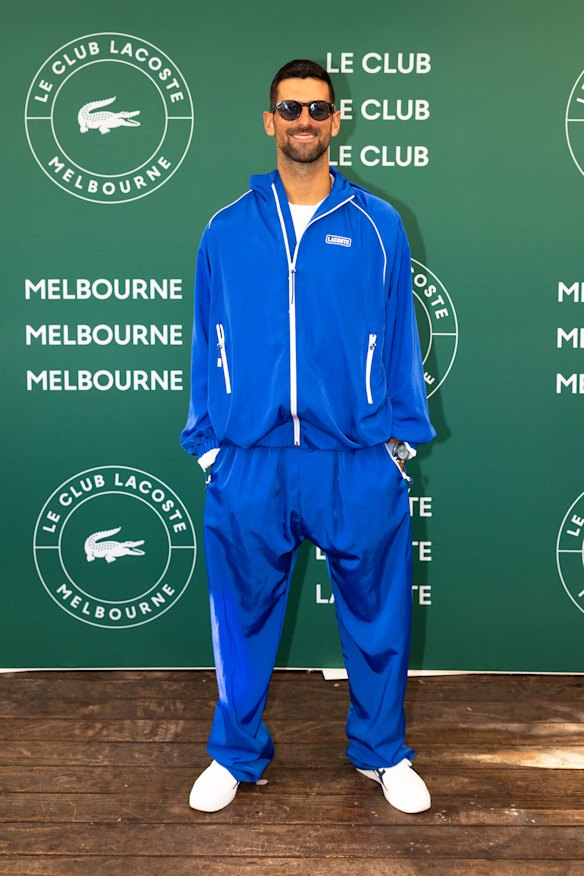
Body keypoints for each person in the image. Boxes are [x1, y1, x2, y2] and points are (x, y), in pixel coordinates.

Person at [180, 59, 435, 815]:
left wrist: (398, 443)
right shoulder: (227, 227)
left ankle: (382, 752)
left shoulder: (378, 224)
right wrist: (208, 443)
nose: (303, 121)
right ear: (270, 121)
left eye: (317, 109)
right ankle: (236, 753)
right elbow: (205, 338)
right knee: (241, 618)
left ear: (335, 120)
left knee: (378, 614)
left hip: (353, 459)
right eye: (290, 108)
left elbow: (398, 340)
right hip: (251, 458)